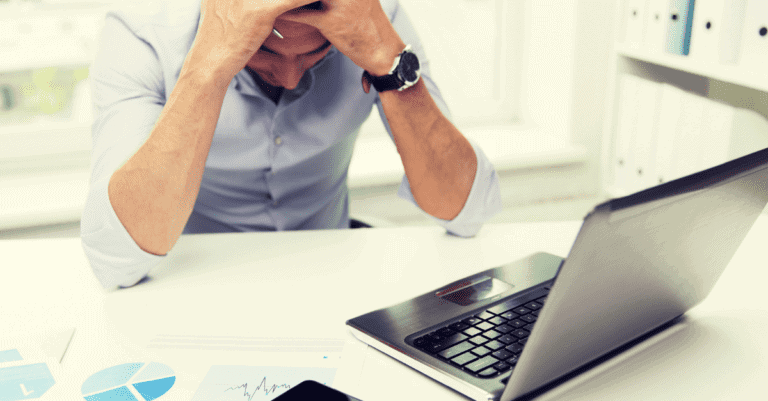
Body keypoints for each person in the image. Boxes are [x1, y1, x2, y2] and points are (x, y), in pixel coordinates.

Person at [81, 0, 502, 289]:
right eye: (265, 51)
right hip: (191, 280)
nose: (290, 78)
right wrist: (211, 62)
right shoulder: (142, 29)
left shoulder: (369, 15)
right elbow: (114, 258)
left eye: (314, 54)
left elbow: (467, 211)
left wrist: (386, 58)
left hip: (332, 277)